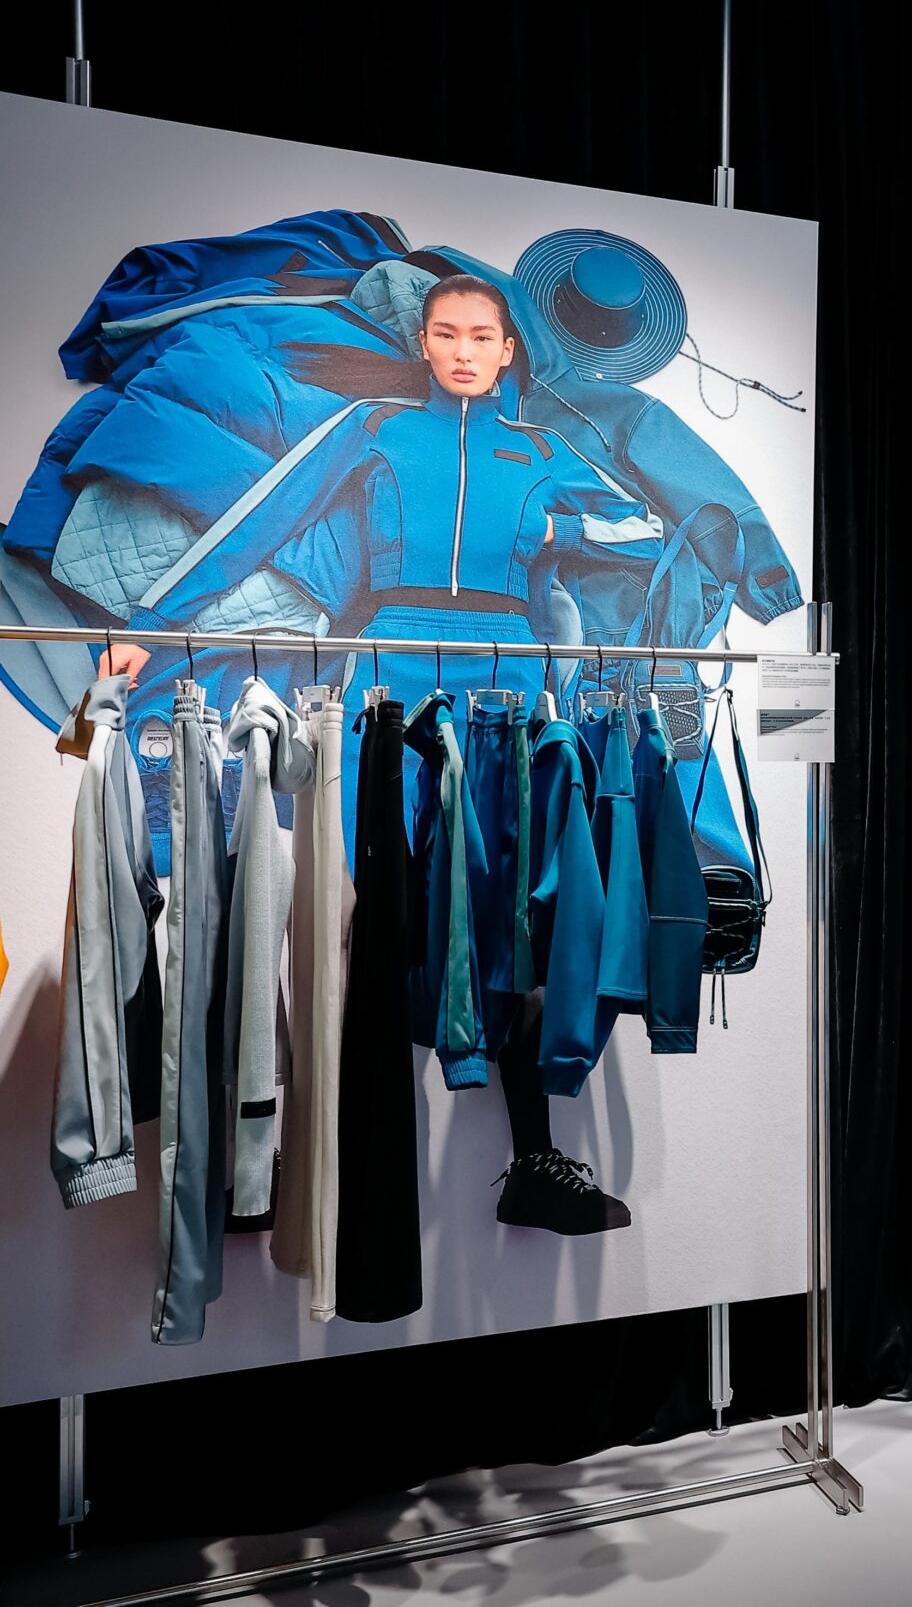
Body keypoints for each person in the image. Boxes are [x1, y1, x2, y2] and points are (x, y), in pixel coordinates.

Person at [124, 272, 652, 1234]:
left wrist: (560, 528)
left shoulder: (543, 450)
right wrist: (152, 622)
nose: (462, 350)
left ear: (506, 350)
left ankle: (533, 1158)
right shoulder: (373, 428)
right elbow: (265, 515)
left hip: (505, 678)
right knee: (352, 912)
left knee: (507, 912)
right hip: (385, 675)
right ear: (424, 344)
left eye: (481, 335)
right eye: (445, 333)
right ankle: (281, 1165)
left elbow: (645, 529)